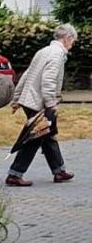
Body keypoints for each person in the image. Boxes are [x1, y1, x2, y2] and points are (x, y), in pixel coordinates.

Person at [6, 23, 77, 187]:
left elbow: (27, 74)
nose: (72, 44)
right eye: (73, 41)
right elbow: (48, 81)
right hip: (38, 102)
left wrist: (17, 99)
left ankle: (59, 171)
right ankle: (15, 174)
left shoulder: (44, 51)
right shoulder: (57, 54)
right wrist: (51, 104)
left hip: (30, 100)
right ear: (67, 38)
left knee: (48, 135)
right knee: (36, 137)